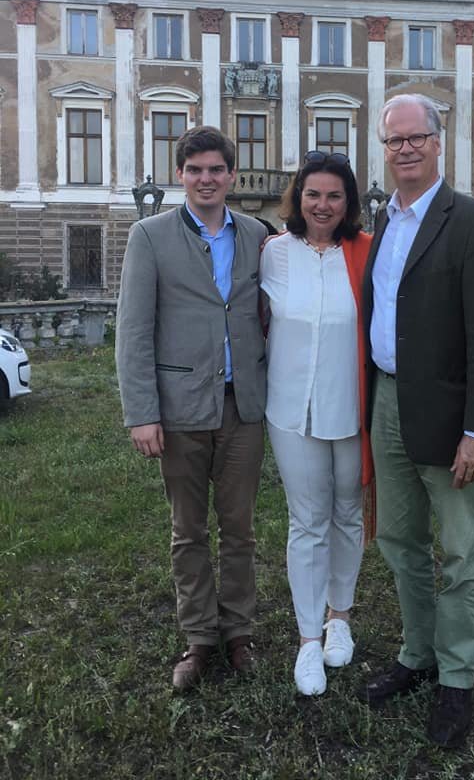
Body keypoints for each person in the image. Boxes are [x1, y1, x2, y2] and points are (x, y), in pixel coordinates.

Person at [359, 94, 474, 748]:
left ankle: (457, 676)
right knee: (399, 540)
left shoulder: (473, 221)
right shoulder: (384, 219)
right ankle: (417, 654)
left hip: (449, 415)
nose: (405, 149)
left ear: (438, 141)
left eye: (415, 137)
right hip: (387, 403)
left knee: (459, 550)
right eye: (394, 140)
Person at [115, 125, 267, 692]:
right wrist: (141, 412)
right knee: (188, 531)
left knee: (240, 529)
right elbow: (133, 331)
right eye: (195, 169)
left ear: (232, 175)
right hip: (179, 409)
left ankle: (239, 633)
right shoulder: (150, 236)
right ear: (180, 174)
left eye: (216, 169)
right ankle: (199, 637)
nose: (207, 179)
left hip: (242, 407)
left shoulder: (256, 234)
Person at [260, 151, 372, 696]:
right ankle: (308, 639)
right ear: (297, 198)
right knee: (306, 521)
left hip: (351, 405)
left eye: (333, 195)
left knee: (347, 513)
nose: (322, 205)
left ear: (348, 202)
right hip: (290, 409)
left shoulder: (367, 252)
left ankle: (339, 616)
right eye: (312, 194)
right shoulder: (273, 253)